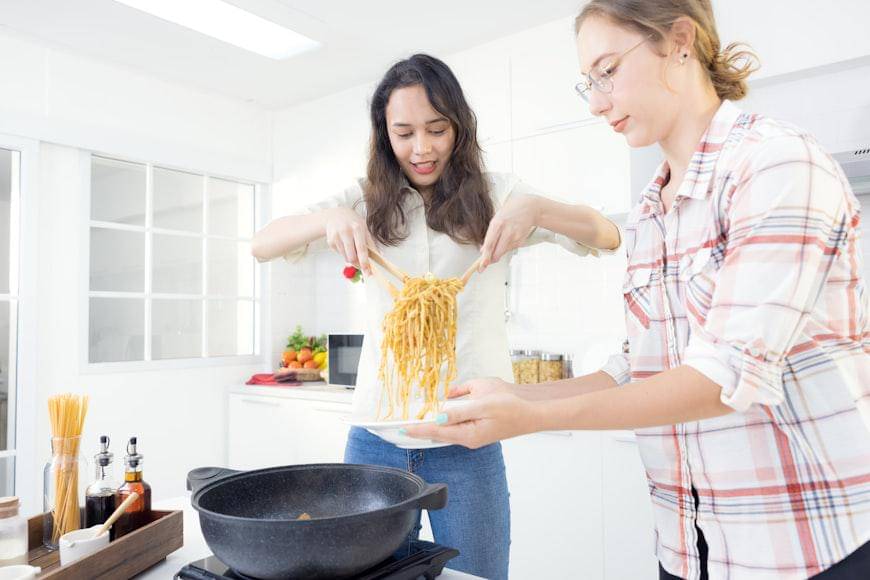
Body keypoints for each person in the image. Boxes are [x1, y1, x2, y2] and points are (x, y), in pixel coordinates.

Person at [406, 2, 870, 578]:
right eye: (588, 83)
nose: (598, 101)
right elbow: (636, 367)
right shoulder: (651, 210)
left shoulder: (774, 165)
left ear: (679, 41)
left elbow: (724, 377)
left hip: (802, 543)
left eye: (608, 71)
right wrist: (513, 395)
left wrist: (532, 418)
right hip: (687, 543)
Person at [252, 53, 620, 579]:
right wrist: (327, 218)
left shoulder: (500, 196)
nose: (421, 149)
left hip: (468, 437)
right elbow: (262, 245)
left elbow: (605, 235)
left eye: (436, 129)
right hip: (376, 435)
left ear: (459, 128)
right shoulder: (363, 199)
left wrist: (538, 210)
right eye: (403, 133)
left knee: (480, 575)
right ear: (384, 136)